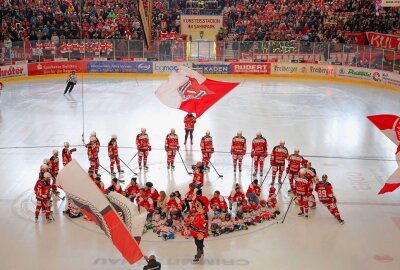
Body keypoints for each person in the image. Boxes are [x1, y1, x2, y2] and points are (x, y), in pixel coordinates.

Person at [190, 195, 209, 263]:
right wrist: (191, 225)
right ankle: (201, 249)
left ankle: (198, 254)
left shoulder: (204, 216)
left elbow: (205, 225)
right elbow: (195, 221)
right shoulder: (198, 213)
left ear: (203, 207)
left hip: (200, 232)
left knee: (199, 243)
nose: (196, 207)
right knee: (196, 242)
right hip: (195, 231)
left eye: (198, 205)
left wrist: (202, 233)